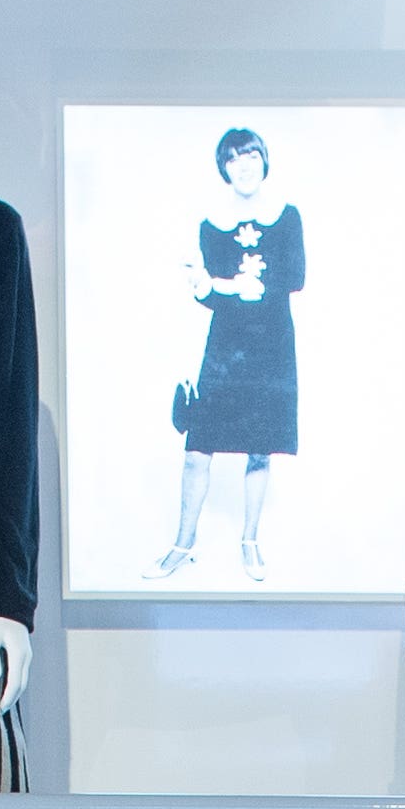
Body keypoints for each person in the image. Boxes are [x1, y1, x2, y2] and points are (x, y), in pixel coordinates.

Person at [157, 126, 304, 579]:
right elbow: (206, 296)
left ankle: (250, 542)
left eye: (252, 157)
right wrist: (212, 286)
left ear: (264, 161)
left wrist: (253, 286)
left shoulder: (287, 215)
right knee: (197, 449)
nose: (244, 166)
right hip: (224, 347)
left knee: (260, 449)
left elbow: (296, 276)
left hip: (271, 344)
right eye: (235, 159)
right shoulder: (209, 224)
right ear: (224, 167)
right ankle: (182, 544)